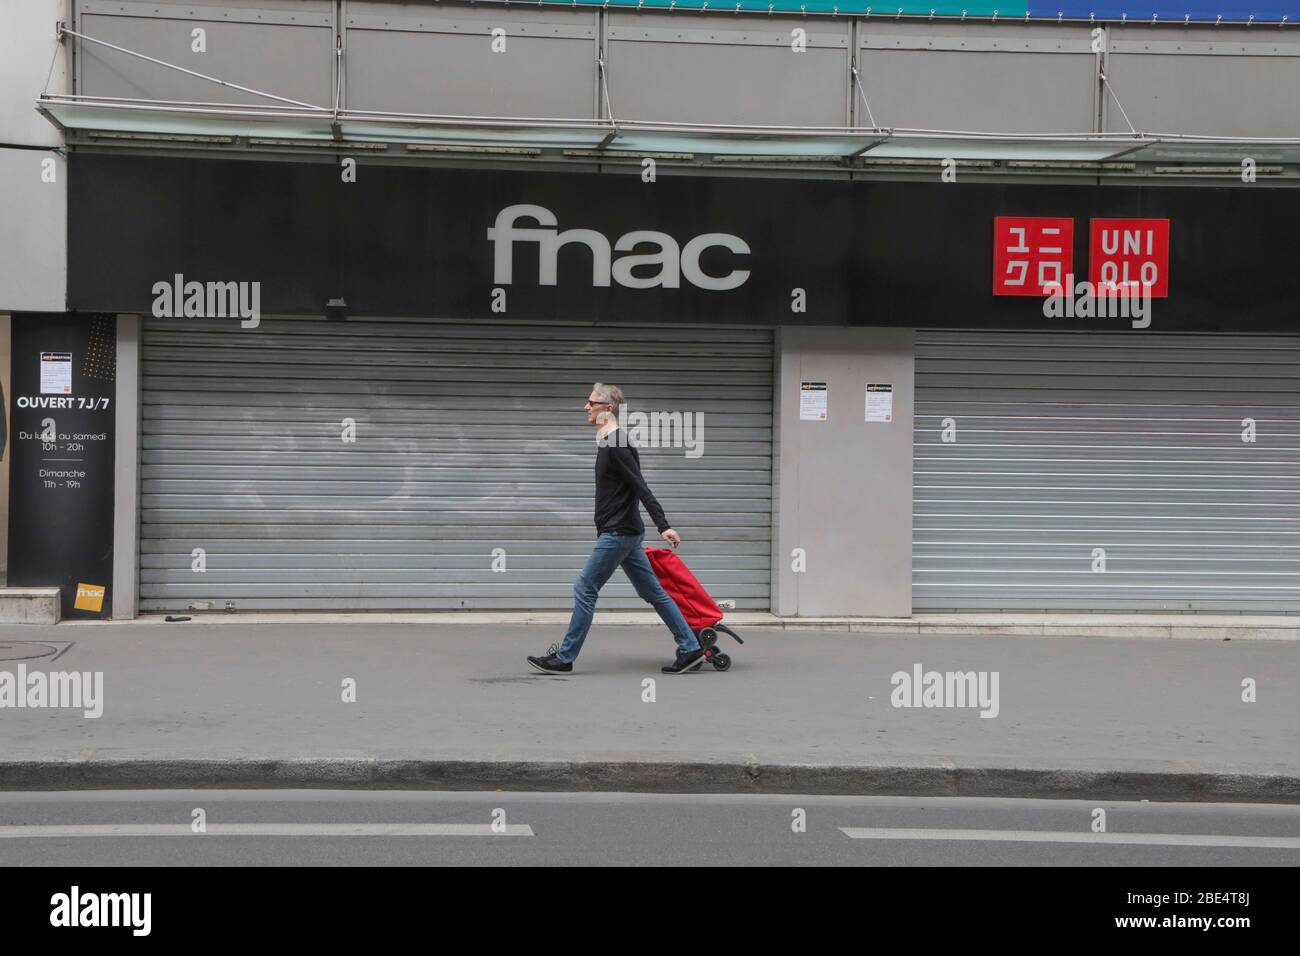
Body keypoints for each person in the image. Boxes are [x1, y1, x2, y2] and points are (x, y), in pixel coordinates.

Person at [528, 383, 705, 675]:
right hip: (626, 533)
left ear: (607, 409)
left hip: (618, 532)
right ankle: (690, 648)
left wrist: (664, 525)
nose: (586, 407)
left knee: (585, 587)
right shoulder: (610, 442)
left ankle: (565, 657)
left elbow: (640, 486)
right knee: (654, 592)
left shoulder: (617, 444)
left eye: (591, 402)